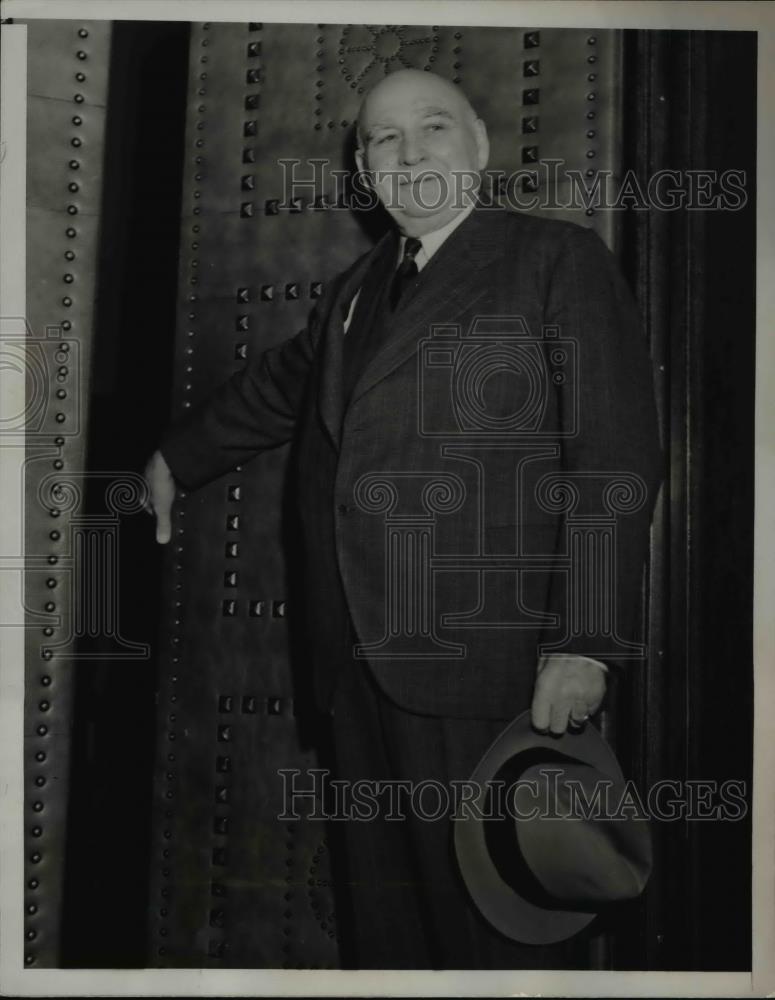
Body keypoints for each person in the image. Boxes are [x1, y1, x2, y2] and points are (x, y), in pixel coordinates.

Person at [144, 69, 661, 969]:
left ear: (480, 148)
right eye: (385, 139)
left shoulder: (551, 259)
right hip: (354, 668)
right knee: (391, 942)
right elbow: (280, 387)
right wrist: (172, 459)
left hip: (484, 670)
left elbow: (612, 460)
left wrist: (584, 643)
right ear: (363, 167)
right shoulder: (355, 288)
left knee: (489, 935)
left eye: (432, 128)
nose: (410, 152)